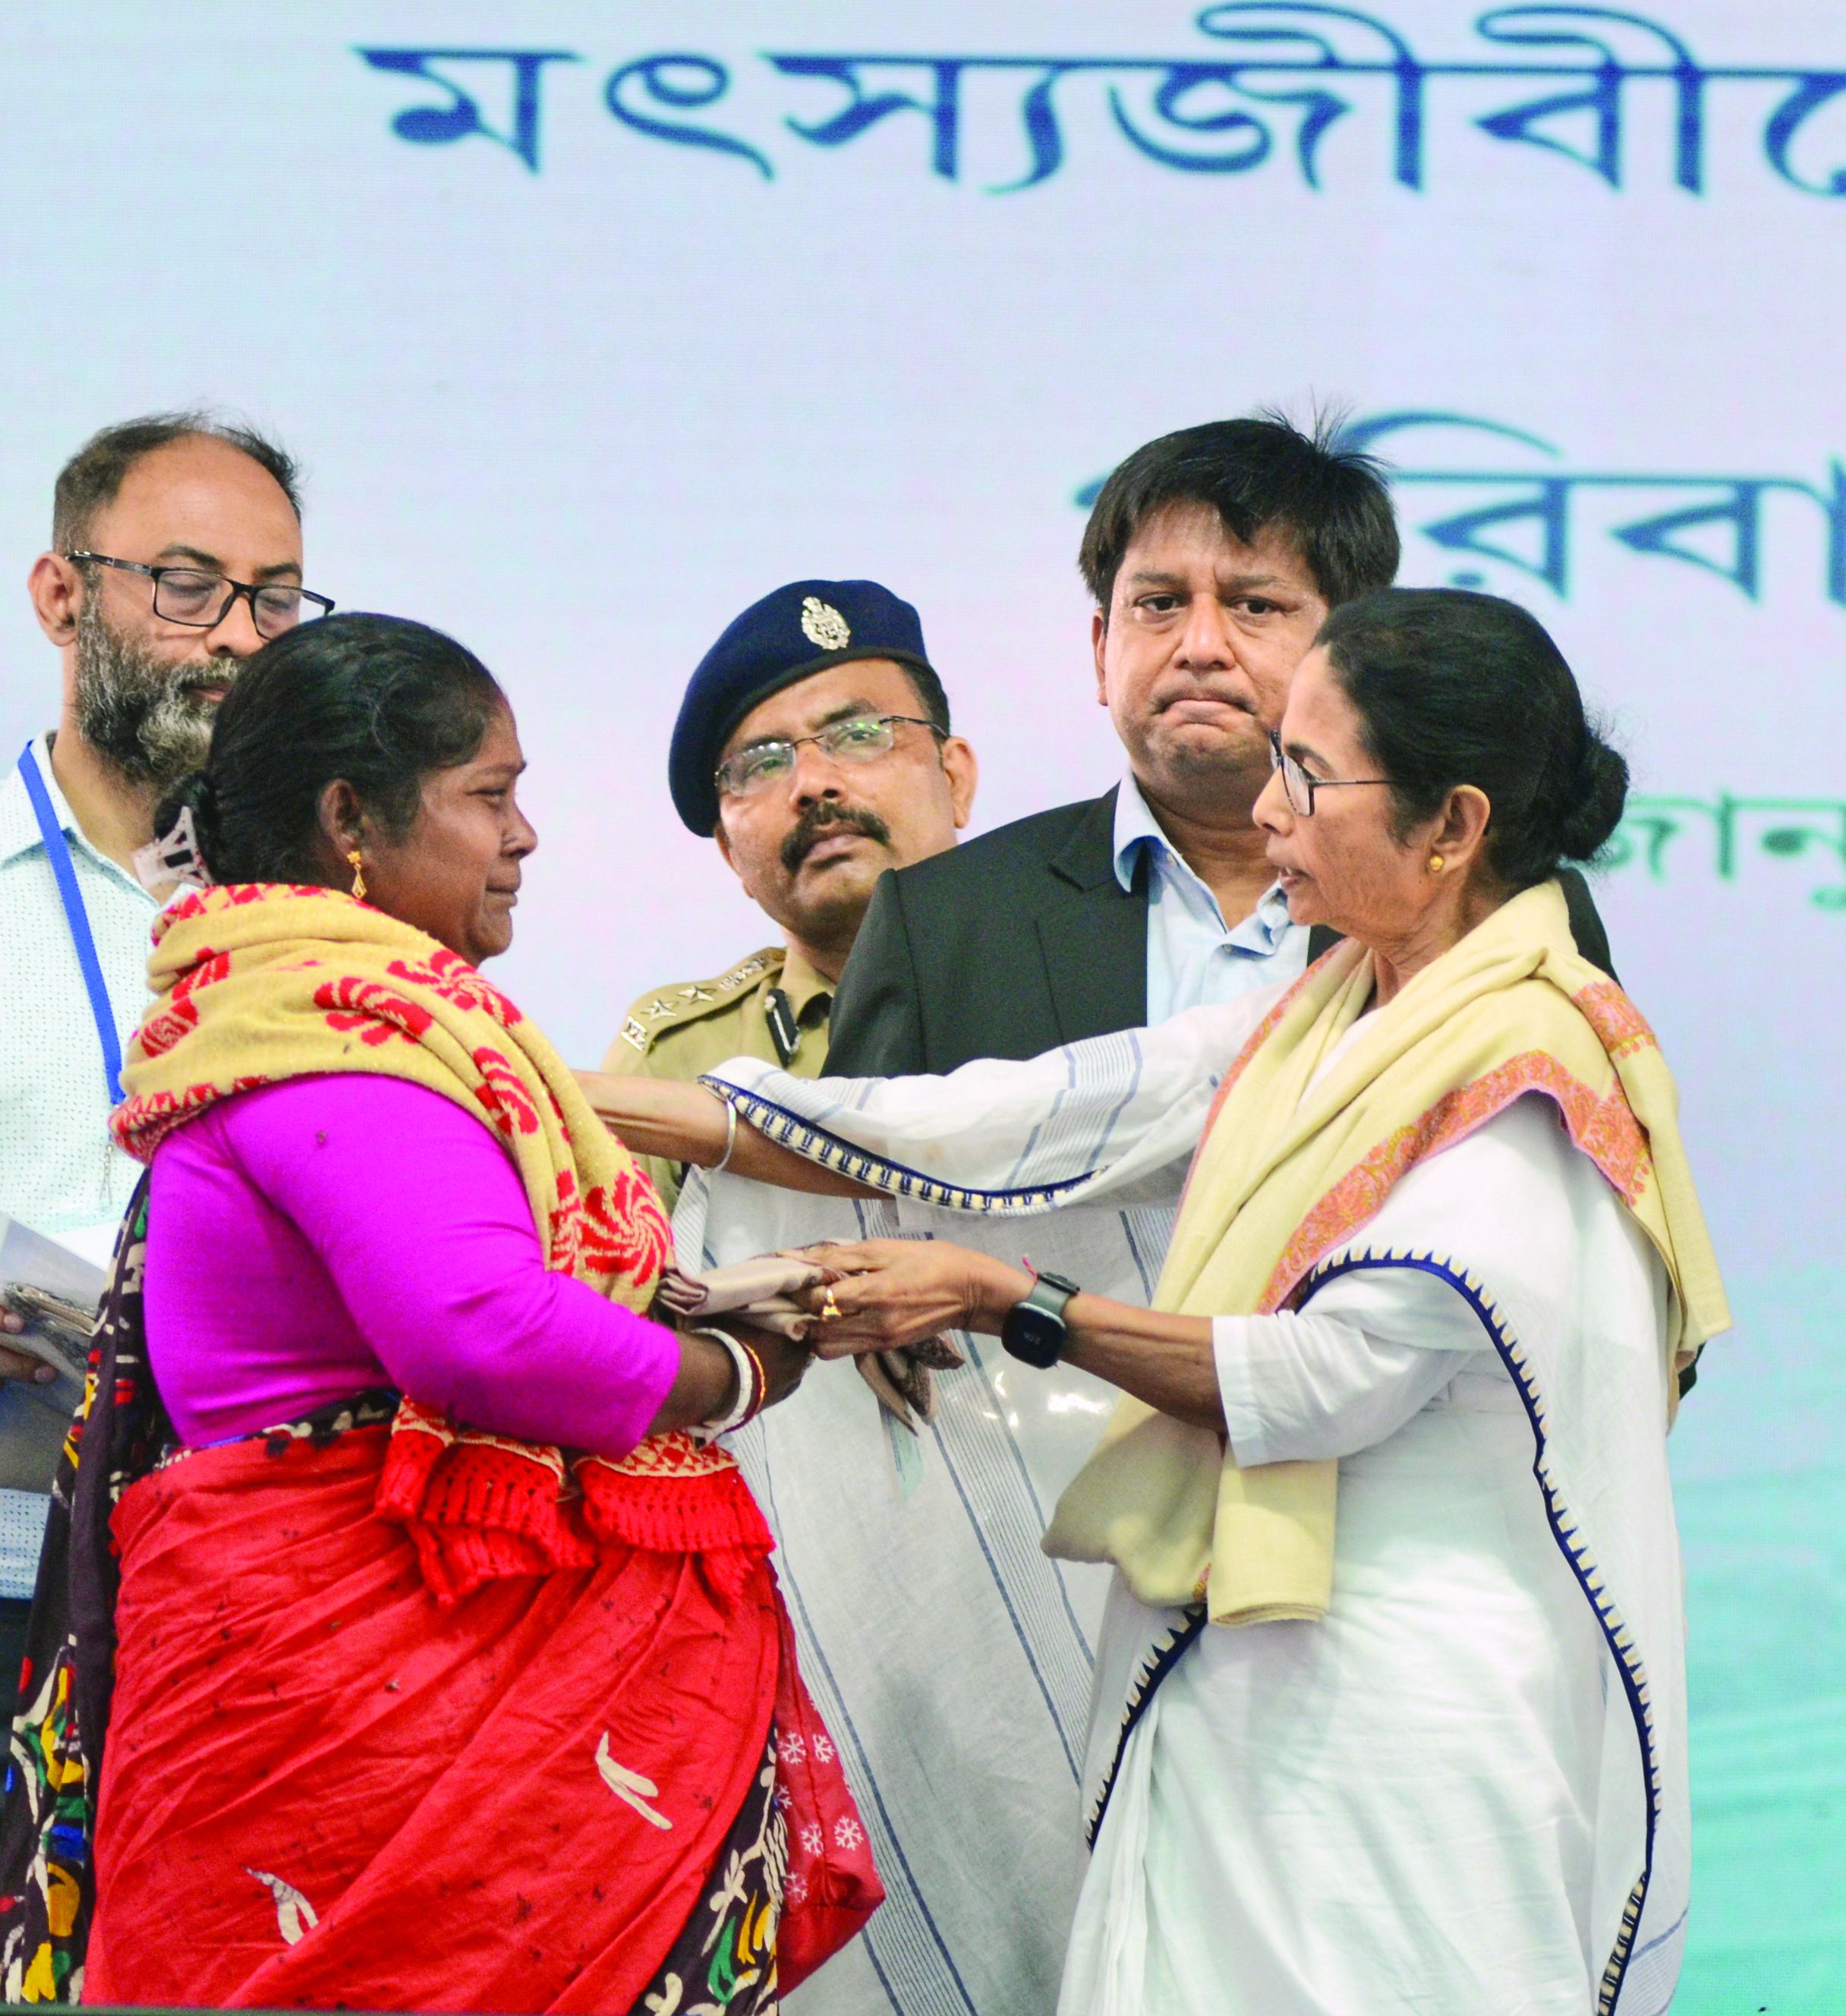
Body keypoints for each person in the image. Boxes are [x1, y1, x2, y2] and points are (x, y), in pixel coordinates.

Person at [581, 587, 1726, 2014]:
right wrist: (561, 1090)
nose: (1271, 808)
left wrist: (1012, 1297)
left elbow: (1322, 1380)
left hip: (1403, 1734)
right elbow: (1022, 1118)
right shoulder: (1332, 1011)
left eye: (1307, 773)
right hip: (1237, 1683)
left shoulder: (1528, 1073)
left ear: (1450, 827)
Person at [0, 615, 878, 2010]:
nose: (523, 834)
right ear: (351, 815)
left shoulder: (310, 1017)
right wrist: (736, 1371)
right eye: (488, 793)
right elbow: (483, 1334)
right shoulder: (336, 1039)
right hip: (360, 1730)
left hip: (362, 1706)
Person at [825, 414, 1612, 1076]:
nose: (1200, 645)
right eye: (1159, 604)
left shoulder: (1487, 908)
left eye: (1254, 605)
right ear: (1100, 648)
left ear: (1355, 650)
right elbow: (847, 1228)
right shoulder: (940, 922)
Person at [0, 410, 322, 1704]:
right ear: (63, 595)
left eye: (276, 599)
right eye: (188, 586)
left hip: (264, 1598)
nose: (238, 636)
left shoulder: (334, 917)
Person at [608, 578, 975, 1211]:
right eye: (762, 764)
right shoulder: (679, 1060)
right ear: (732, 857)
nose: (812, 784)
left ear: (955, 778)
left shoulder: (1090, 969)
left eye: (860, 734)